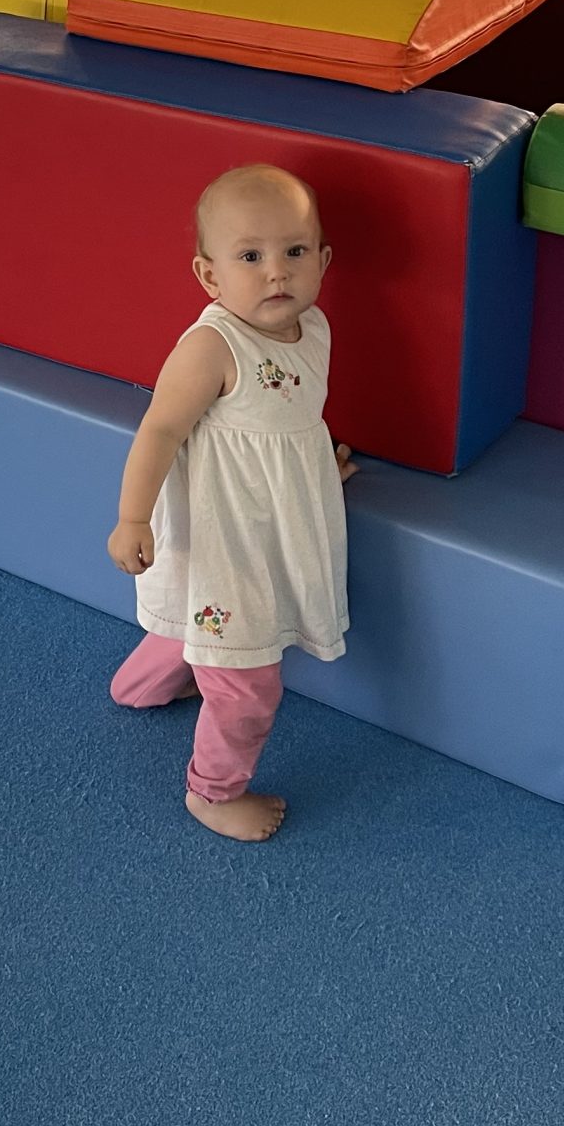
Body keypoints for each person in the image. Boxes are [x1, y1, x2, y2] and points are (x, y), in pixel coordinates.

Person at [107, 164, 358, 842]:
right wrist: (133, 516)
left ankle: (142, 686)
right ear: (210, 277)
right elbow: (160, 428)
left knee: (196, 622)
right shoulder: (212, 346)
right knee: (248, 683)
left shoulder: (315, 329)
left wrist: (314, 467)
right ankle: (213, 794)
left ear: (322, 261)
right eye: (250, 257)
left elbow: (281, 427)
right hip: (228, 540)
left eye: (295, 252)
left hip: (269, 519)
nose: (276, 272)